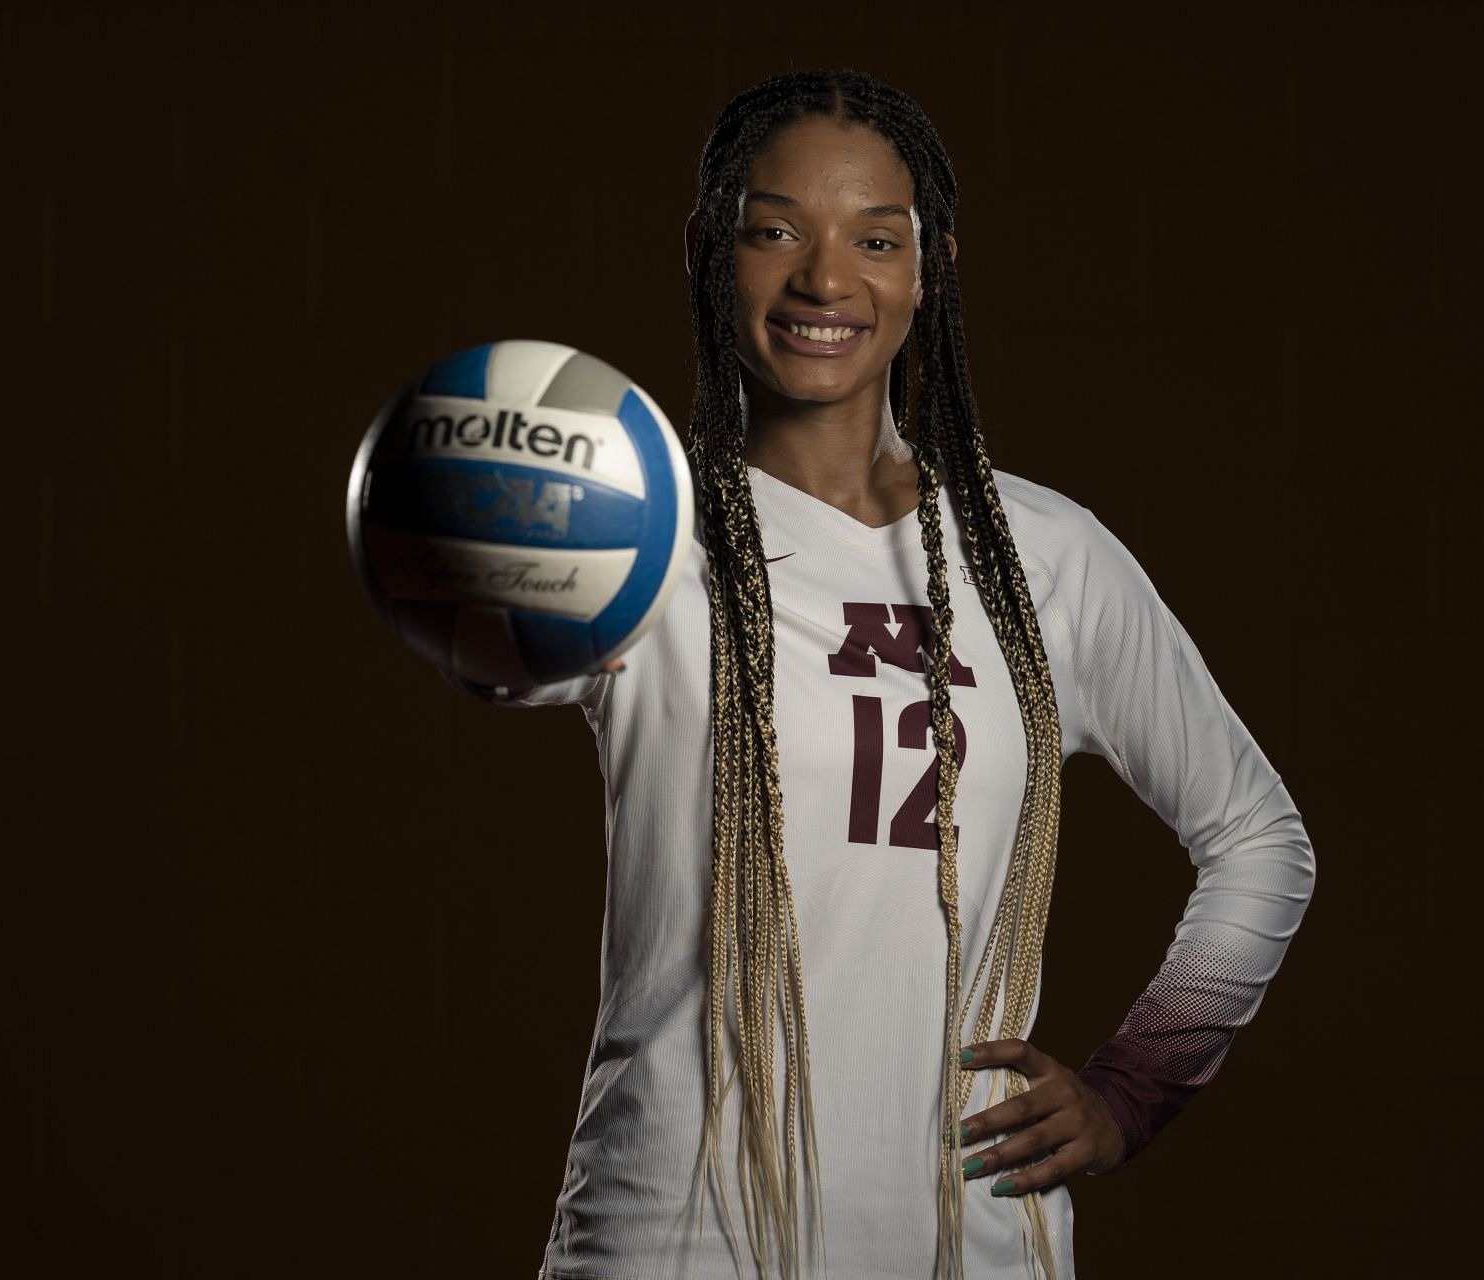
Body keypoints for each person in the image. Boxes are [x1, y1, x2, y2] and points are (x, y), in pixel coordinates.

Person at [442, 68, 1315, 1280]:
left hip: (971, 1236)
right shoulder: (638, 529)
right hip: (668, 1234)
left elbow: (1260, 835)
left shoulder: (1043, 554)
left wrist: (1137, 1082)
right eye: (774, 229)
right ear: (708, 249)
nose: (824, 280)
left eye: (876, 239)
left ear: (931, 267)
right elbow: (485, 626)